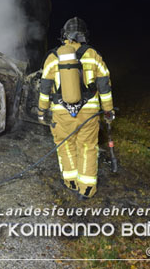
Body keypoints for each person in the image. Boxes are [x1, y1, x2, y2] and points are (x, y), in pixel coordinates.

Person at [37, 17, 115, 199]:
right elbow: (105, 86)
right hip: (88, 115)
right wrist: (108, 111)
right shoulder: (93, 55)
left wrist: (42, 112)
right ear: (84, 36)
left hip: (60, 114)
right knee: (87, 147)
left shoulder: (53, 57)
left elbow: (44, 88)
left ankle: (70, 182)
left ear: (64, 35)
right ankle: (86, 189)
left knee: (65, 145)